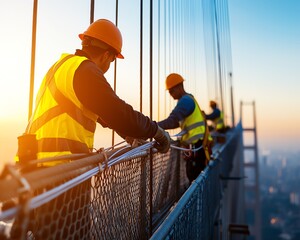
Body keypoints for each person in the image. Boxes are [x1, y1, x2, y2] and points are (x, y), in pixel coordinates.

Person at [14, 19, 171, 239]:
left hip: (38, 171)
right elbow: (118, 112)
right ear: (107, 55)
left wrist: (127, 133)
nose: (109, 66)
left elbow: (90, 109)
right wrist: (155, 131)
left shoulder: (63, 66)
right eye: (113, 60)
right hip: (63, 175)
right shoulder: (85, 70)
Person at [158, 73, 212, 184]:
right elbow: (177, 122)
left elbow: (172, 121)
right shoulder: (189, 99)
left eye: (171, 91)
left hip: (196, 147)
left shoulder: (185, 101)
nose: (170, 94)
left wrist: (152, 126)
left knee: (194, 180)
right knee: (196, 181)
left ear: (179, 86)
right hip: (198, 147)